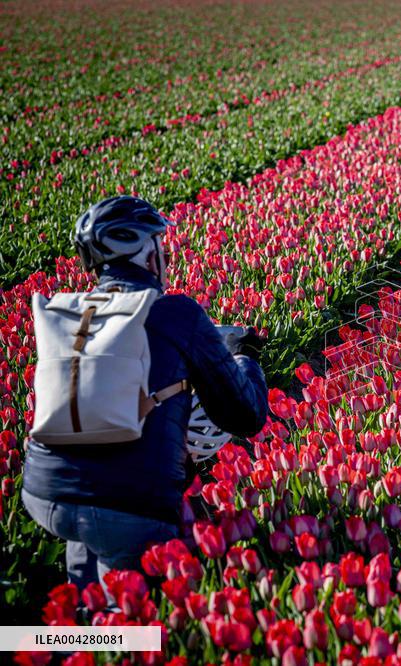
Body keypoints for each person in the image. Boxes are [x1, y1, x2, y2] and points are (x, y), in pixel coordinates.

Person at [22, 195, 268, 597]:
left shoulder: (74, 313)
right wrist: (246, 358)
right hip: (127, 505)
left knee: (86, 603)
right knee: (133, 623)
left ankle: (68, 640)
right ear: (149, 255)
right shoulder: (178, 313)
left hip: (45, 493)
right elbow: (246, 416)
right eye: (160, 244)